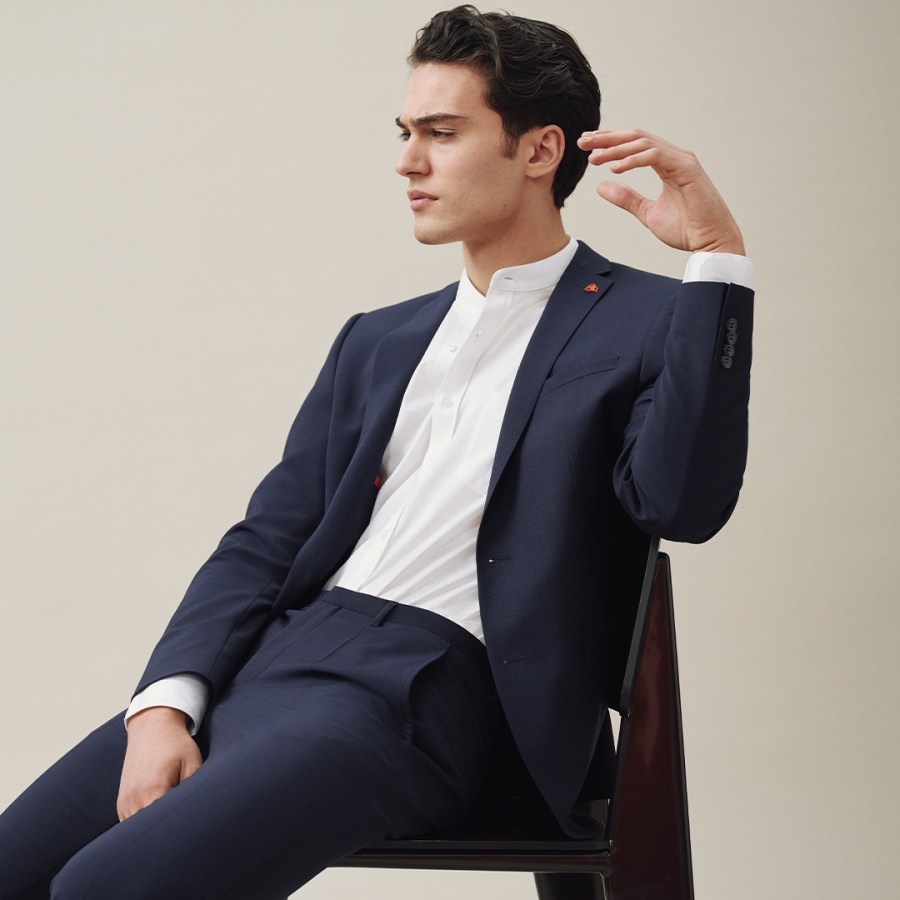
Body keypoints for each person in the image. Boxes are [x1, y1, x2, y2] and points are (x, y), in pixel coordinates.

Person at [0, 5, 753, 898]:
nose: (407, 161)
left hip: (426, 690)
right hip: (272, 657)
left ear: (541, 150)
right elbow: (268, 537)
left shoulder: (650, 319)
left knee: (104, 889)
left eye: (442, 133)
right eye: (405, 132)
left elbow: (682, 505)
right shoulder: (380, 340)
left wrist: (717, 263)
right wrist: (165, 701)